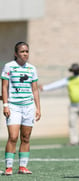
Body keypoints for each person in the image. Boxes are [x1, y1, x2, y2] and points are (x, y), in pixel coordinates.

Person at [1, 42, 41, 175]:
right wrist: (5, 105)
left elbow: (35, 89)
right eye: (22, 52)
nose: (25, 54)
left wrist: (38, 108)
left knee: (26, 137)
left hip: (28, 106)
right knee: (13, 137)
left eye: (27, 51)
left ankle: (23, 167)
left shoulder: (32, 68)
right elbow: (4, 87)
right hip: (13, 106)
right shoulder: (9, 66)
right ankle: (9, 167)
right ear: (16, 53)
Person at [39, 63, 79, 146]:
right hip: (73, 106)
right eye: (74, 70)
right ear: (72, 71)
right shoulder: (69, 80)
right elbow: (57, 85)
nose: (75, 71)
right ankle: (74, 141)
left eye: (76, 70)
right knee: (72, 123)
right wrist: (44, 88)